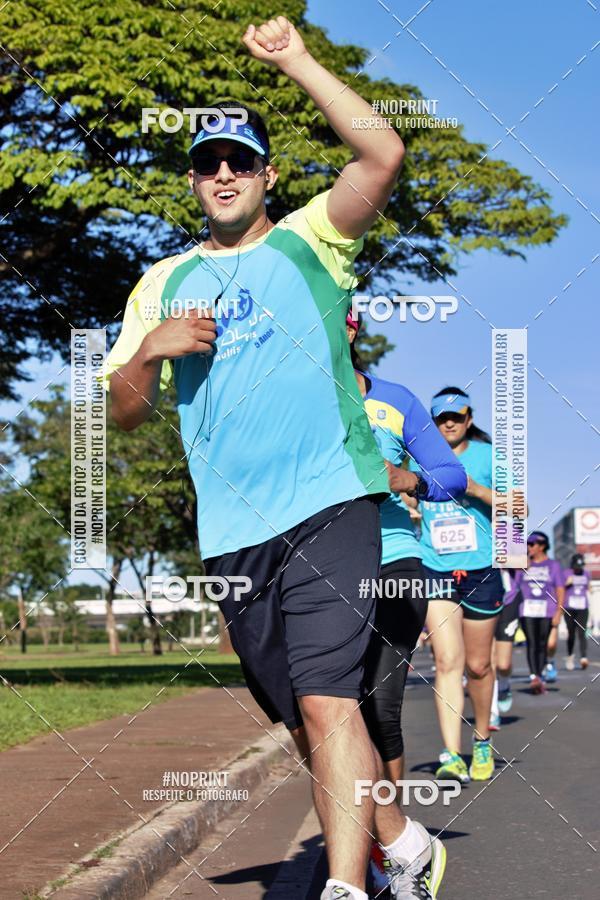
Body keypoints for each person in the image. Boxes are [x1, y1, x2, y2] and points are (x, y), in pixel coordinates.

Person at [106, 16, 410, 900]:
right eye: (208, 163)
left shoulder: (312, 239)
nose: (225, 174)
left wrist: (298, 60)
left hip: (332, 502)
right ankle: (403, 839)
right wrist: (148, 353)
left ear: (268, 174)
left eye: (242, 160)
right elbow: (123, 416)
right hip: (235, 531)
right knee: (302, 721)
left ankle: (349, 889)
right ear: (193, 179)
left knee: (325, 701)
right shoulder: (159, 282)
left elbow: (382, 154)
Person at [347, 315, 466, 896]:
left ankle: (390, 849)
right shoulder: (290, 398)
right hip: (322, 565)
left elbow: (452, 476)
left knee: (380, 708)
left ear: (351, 328)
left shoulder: (394, 401)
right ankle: (383, 841)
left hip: (394, 563)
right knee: (328, 710)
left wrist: (405, 477)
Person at [412, 388, 504, 783]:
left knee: (479, 666)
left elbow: (521, 506)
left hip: (481, 569)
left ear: (469, 419)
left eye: (457, 416)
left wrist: (476, 489)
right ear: (433, 423)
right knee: (447, 663)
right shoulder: (419, 456)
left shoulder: (487, 456)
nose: (449, 423)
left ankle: (482, 739)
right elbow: (400, 490)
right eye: (442, 418)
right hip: (435, 569)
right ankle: (451, 755)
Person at [516, 531, 565, 693]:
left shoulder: (554, 565)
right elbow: (513, 584)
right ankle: (534, 676)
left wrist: (559, 611)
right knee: (531, 642)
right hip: (526, 609)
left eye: (532, 544)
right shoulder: (523, 564)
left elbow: (560, 589)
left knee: (543, 643)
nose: (529, 547)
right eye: (527, 544)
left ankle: (541, 673)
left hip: (547, 610)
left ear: (542, 546)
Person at [490, 567, 521, 726]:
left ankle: (504, 684)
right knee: (487, 661)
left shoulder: (507, 539)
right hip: (481, 597)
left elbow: (525, 563)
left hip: (508, 600)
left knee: (503, 664)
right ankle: (492, 712)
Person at [563, 553, 590, 670]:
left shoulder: (587, 574)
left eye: (580, 567)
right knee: (571, 633)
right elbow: (559, 588)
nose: (578, 569)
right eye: (576, 567)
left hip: (583, 607)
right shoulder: (566, 573)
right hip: (569, 607)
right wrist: (566, 583)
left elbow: (588, 587)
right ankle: (570, 656)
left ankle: (584, 657)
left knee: (582, 632)